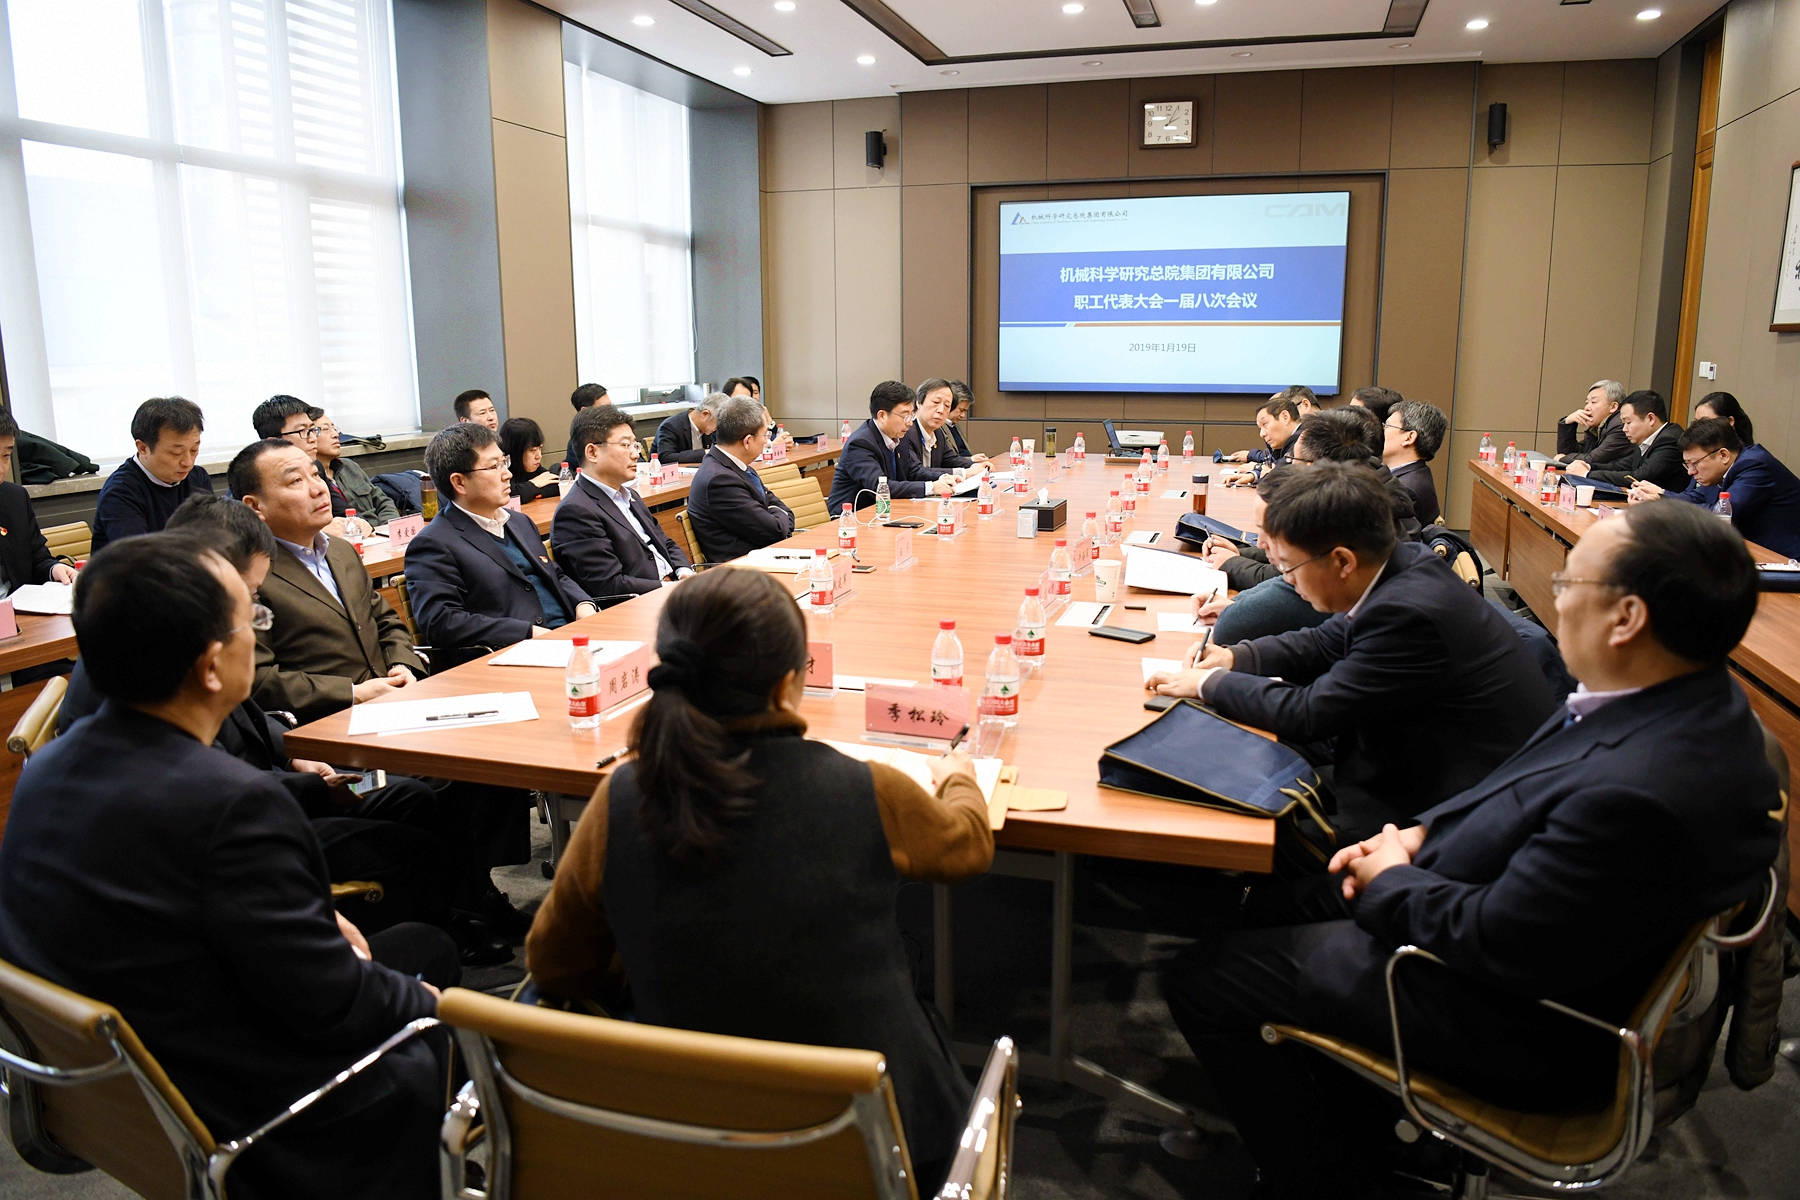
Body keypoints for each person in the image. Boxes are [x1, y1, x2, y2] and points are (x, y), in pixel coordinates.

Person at [1161, 501, 1779, 1200]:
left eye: (1569, 584)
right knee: (1269, 906)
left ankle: (1322, 1179)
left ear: (1627, 617)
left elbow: (1496, 940)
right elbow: (1518, 789)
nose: (1555, 601)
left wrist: (1393, 877)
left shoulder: (1641, 790)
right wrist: (1421, 834)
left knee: (1204, 976)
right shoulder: (1681, 701)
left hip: (1514, 1019)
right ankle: (1349, 1123)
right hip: (1483, 896)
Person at [0, 534, 453, 1200]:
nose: (259, 633)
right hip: (250, 1116)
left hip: (114, 1097)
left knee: (411, 948)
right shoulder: (229, 803)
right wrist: (447, 1009)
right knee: (434, 980)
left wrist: (308, 927)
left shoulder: (46, 769)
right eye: (254, 620)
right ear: (212, 665)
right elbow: (334, 1005)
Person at [525, 567, 993, 1193]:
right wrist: (958, 773)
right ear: (786, 684)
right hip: (876, 1147)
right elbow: (967, 847)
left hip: (683, 1138)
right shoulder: (865, 788)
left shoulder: (621, 797)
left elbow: (554, 967)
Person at [55, 495, 512, 966]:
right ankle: (434, 923)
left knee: (411, 797)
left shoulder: (143, 655)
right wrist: (317, 791)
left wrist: (294, 756)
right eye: (252, 607)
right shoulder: (169, 672)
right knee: (423, 910)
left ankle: (458, 910)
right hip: (261, 835)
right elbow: (225, 791)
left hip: (272, 792)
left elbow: (248, 720)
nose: (254, 626)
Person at [1150, 462, 1557, 844]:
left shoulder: (1408, 615)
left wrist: (1209, 683)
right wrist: (1234, 658)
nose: (1286, 579)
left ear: (1342, 561)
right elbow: (1324, 641)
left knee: (1218, 820)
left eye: (1289, 567)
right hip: (1402, 766)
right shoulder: (1404, 563)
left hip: (1436, 820)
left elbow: (1309, 713)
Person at [229, 439, 425, 724]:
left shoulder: (341, 550)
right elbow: (258, 679)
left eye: (315, 474)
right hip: (324, 721)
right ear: (255, 505)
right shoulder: (248, 576)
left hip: (392, 702)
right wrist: (354, 693)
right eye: (296, 481)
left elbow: (385, 621)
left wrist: (401, 664)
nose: (318, 488)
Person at [1199, 410, 1420, 643]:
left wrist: (1233, 569)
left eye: (1292, 462)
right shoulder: (1363, 495)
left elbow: (1241, 620)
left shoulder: (1341, 520)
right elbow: (1324, 642)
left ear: (1315, 469)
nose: (1288, 470)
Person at [404, 424, 596, 658]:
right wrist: (527, 633)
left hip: (571, 640)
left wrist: (583, 604)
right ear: (459, 483)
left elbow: (554, 574)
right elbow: (442, 622)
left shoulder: (519, 522)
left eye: (504, 462)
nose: (508, 474)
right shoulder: (434, 544)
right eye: (494, 466)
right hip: (513, 655)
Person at [551, 404, 695, 599]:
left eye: (635, 445)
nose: (635, 454)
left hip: (671, 590)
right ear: (592, 452)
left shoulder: (630, 495)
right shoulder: (576, 511)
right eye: (625, 445)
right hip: (638, 603)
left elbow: (665, 542)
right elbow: (609, 584)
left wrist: (684, 572)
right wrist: (669, 587)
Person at [1630, 418, 1800, 558]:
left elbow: (1722, 514)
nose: (1690, 472)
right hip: (1750, 551)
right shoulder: (1721, 471)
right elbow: (1698, 498)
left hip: (1783, 559)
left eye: (1694, 463)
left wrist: (1665, 507)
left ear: (1723, 455)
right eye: (1687, 464)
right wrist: (1661, 496)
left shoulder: (1755, 466)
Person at [91, 396, 213, 552]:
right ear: (143, 448)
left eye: (194, 450)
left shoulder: (197, 477)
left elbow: (213, 536)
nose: (188, 462)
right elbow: (140, 556)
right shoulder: (120, 492)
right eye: (176, 453)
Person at [686, 396, 797, 562]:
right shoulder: (719, 481)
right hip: (743, 568)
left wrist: (774, 513)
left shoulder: (737, 466)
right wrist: (776, 514)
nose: (767, 441)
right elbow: (776, 531)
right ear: (747, 441)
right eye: (765, 434)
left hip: (764, 557)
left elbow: (785, 515)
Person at [827, 382, 957, 513]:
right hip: (851, 517)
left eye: (912, 415)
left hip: (887, 512)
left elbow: (914, 471)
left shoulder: (899, 436)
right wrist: (932, 487)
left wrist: (942, 478)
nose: (910, 423)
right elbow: (880, 487)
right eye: (905, 416)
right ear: (882, 415)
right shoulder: (860, 444)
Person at [0, 409, 76, 591]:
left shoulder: (15, 498)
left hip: (18, 604)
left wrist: (54, 569)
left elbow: (37, 560)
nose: (1, 469)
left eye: (5, 456)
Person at [1565, 389, 1684, 492]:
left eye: (1628, 422)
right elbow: (1620, 466)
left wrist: (1587, 474)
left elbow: (1639, 476)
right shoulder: (1647, 439)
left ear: (1651, 419)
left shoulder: (1670, 440)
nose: (1624, 429)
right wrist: (1588, 466)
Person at [315, 412, 401, 523]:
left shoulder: (349, 466)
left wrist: (387, 526)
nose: (335, 434)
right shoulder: (313, 480)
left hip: (380, 529)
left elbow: (383, 502)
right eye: (326, 429)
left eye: (334, 428)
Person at [898, 378, 976, 482]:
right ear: (919, 403)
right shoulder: (906, 432)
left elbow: (950, 459)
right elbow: (916, 472)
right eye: (936, 402)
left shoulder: (938, 433)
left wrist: (975, 466)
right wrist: (963, 473)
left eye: (947, 406)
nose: (941, 410)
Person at [1381, 400, 1445, 526]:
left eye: (1386, 427)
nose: (1380, 432)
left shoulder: (1405, 489)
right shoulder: (1417, 474)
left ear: (1409, 437)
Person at [1554, 379, 1633, 471]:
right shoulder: (1598, 427)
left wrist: (1562, 459)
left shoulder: (1620, 426)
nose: (1587, 408)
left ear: (1613, 407)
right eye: (1587, 402)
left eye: (1594, 402)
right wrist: (1568, 423)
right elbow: (1572, 452)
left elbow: (1594, 460)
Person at [1219, 394, 1301, 474]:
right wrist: (1254, 475)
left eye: (1265, 424)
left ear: (1285, 417)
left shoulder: (1304, 440)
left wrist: (1257, 468)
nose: (1262, 434)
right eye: (1260, 428)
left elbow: (1280, 474)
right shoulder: (1291, 441)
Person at [500, 417, 559, 504]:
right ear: (516, 451)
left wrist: (532, 491)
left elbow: (556, 485)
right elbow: (509, 494)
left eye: (540, 448)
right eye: (533, 450)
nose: (539, 456)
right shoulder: (499, 470)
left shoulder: (534, 468)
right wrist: (533, 484)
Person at [727, 376, 795, 451]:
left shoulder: (755, 415)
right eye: (740, 399)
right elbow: (740, 451)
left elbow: (770, 438)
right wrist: (772, 445)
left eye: (755, 393)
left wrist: (783, 441)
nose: (747, 402)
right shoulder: (725, 422)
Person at [653, 392, 723, 465]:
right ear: (705, 414)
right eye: (718, 422)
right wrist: (705, 452)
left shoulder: (707, 428)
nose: (718, 427)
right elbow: (665, 457)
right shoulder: (670, 426)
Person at [563, 382, 609, 471]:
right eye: (604, 408)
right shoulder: (578, 442)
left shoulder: (617, 430)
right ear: (585, 411)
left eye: (610, 406)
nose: (610, 412)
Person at [944, 380, 987, 462]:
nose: (963, 415)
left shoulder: (955, 425)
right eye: (961, 410)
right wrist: (972, 459)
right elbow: (946, 460)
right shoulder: (937, 427)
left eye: (965, 411)